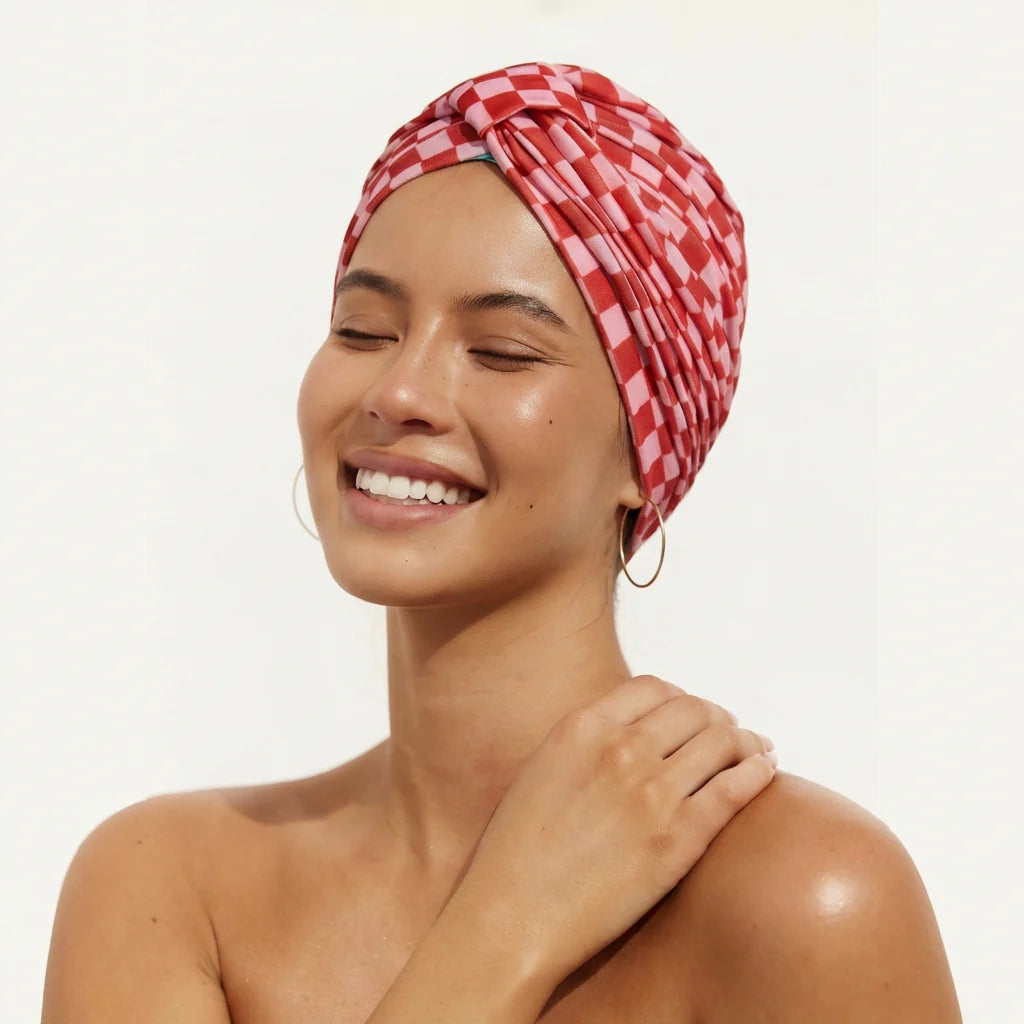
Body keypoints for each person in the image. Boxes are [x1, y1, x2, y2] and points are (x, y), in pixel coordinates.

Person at [41, 62, 961, 1022]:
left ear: (647, 451)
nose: (397, 394)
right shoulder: (166, 886)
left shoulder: (811, 900)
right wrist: (509, 925)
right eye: (363, 331)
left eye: (502, 352)